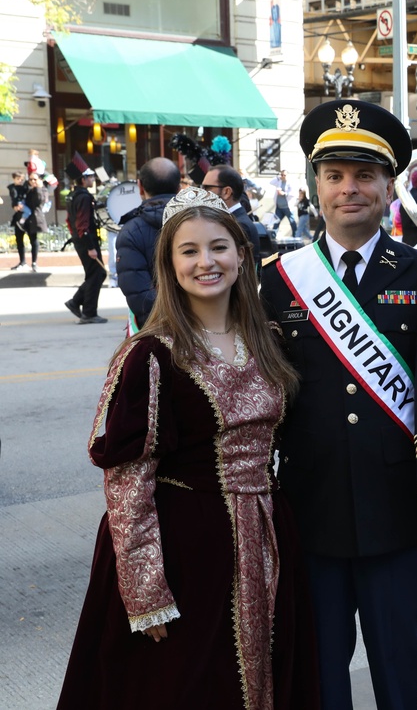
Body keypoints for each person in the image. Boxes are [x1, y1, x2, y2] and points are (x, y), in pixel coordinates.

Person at [58, 188, 320, 709]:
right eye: (189, 250)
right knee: (190, 684)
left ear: (241, 255)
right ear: (169, 263)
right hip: (186, 550)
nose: (207, 262)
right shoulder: (152, 355)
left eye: (219, 247)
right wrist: (145, 590)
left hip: (267, 539)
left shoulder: (266, 338)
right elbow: (128, 481)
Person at [260, 100, 417, 710]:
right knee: (318, 670)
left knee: (399, 670)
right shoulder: (278, 280)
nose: (349, 189)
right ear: (315, 188)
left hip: (398, 511)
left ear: (390, 186)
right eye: (334, 176)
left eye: (364, 175)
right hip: (310, 508)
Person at [117, 157, 182, 330]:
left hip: (157, 331)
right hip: (202, 327)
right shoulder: (200, 220)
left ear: (140, 187)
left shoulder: (130, 231)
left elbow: (139, 295)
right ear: (179, 187)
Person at [64, 159, 108, 324]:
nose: (92, 179)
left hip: (80, 239)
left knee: (96, 274)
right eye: (89, 177)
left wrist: (77, 237)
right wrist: (90, 246)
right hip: (86, 239)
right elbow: (82, 224)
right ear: (83, 179)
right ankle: (88, 313)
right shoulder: (83, 197)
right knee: (97, 274)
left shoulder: (73, 195)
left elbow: (69, 221)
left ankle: (76, 302)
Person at [202, 164, 263, 269]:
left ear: (226, 192)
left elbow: (242, 274)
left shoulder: (240, 225)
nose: (202, 193)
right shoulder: (230, 220)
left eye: (207, 188)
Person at [12, 172, 42, 271]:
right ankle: (22, 262)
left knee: (33, 240)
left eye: (35, 179)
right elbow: (15, 199)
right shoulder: (23, 189)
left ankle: (34, 263)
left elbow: (39, 201)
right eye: (31, 179)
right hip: (19, 219)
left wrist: (37, 188)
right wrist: (15, 206)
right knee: (19, 240)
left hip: (31, 220)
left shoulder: (38, 190)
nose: (33, 181)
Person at [270, 169, 296, 234]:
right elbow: (271, 182)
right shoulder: (279, 181)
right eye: (281, 175)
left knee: (292, 222)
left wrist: (284, 193)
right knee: (276, 222)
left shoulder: (291, 183)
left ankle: (295, 235)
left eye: (284, 175)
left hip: (287, 207)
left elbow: (293, 194)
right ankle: (273, 236)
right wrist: (278, 177)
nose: (283, 176)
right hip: (279, 207)